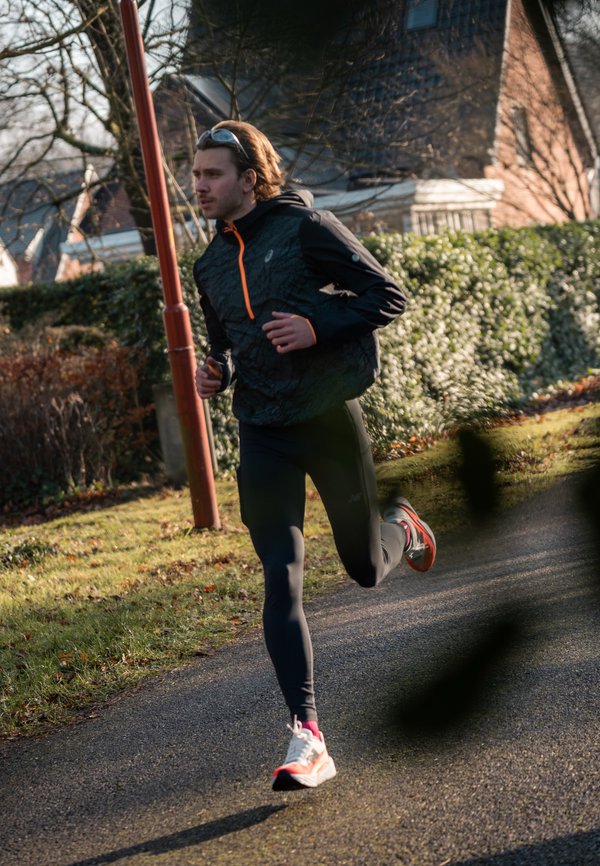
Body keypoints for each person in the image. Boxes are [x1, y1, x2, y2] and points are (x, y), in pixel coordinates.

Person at [192, 120, 436, 791]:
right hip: (262, 429)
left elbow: (388, 296)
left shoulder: (306, 230)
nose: (200, 186)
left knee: (363, 568)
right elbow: (227, 345)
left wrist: (315, 325)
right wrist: (215, 375)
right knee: (281, 575)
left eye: (213, 174)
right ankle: (308, 734)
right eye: (196, 175)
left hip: (326, 417)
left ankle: (402, 526)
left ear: (250, 178)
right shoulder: (208, 263)